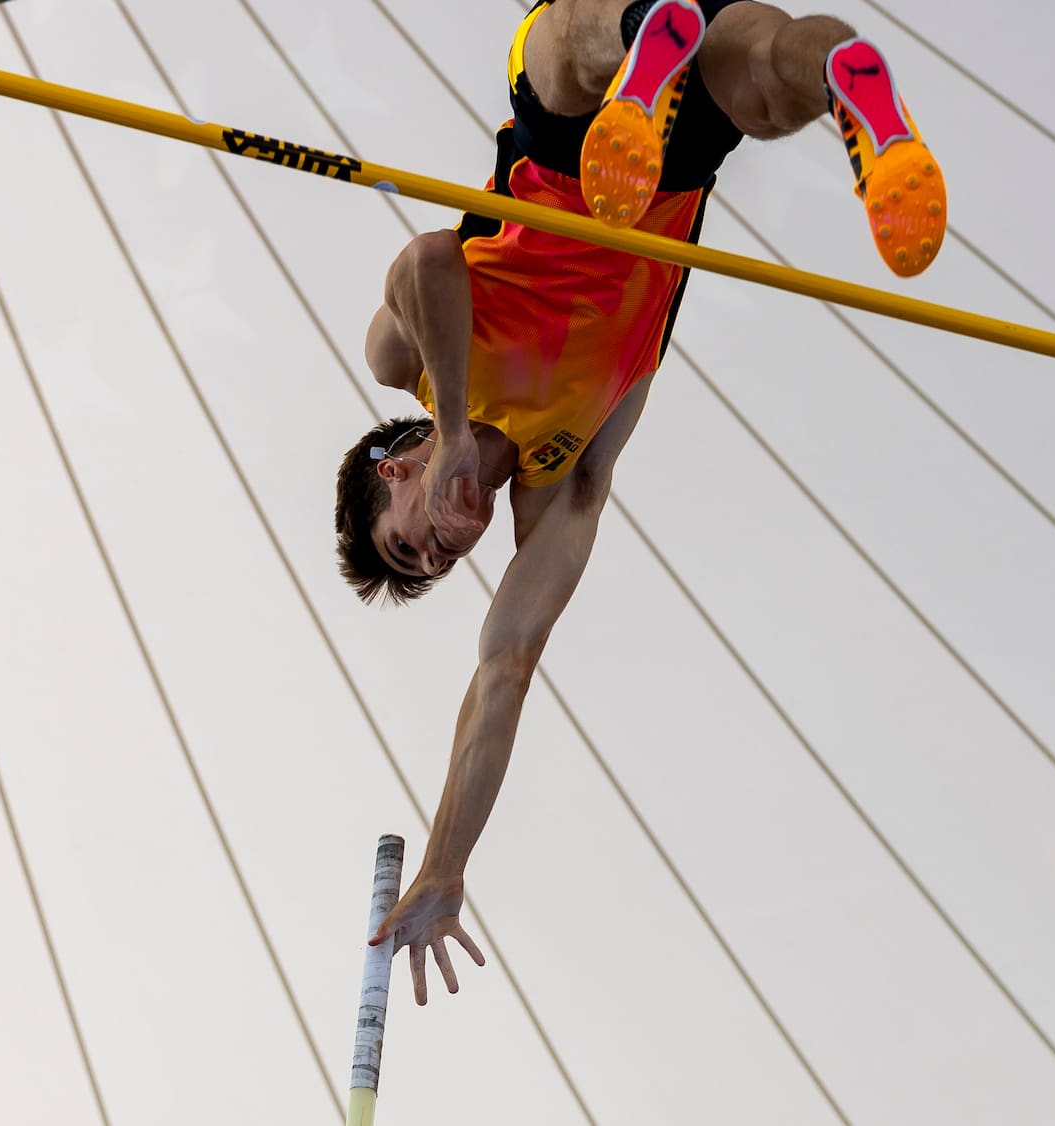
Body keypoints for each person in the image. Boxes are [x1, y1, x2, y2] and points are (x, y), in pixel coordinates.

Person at [337, 0, 945, 1005]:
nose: (442, 556)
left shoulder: (403, 367)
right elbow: (501, 674)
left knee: (566, 51)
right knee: (777, 73)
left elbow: (428, 261)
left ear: (390, 474)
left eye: (407, 549)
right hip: (668, 173)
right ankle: (859, 101)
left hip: (564, 139)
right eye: (436, 569)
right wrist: (445, 866)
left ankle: (637, 47)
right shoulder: (563, 481)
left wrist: (449, 426)